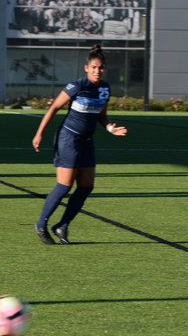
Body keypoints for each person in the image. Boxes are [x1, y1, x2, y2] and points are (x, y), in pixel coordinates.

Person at [31, 44, 127, 245]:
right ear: (86, 68)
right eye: (94, 67)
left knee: (86, 187)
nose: (97, 71)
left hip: (87, 141)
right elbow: (54, 108)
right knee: (64, 185)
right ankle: (41, 224)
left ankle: (63, 225)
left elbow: (102, 115)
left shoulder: (105, 88)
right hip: (69, 139)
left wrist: (110, 127)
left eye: (100, 68)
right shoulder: (77, 85)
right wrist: (39, 133)